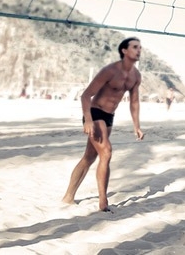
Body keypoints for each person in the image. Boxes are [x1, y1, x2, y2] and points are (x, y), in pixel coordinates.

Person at [62, 37, 145, 212]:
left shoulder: (136, 76)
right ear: (124, 50)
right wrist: (88, 120)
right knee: (106, 152)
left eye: (140, 47)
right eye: (135, 47)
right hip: (95, 113)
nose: (139, 50)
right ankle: (103, 202)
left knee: (89, 157)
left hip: (109, 117)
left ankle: (68, 196)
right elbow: (86, 96)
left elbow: (134, 102)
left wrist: (136, 126)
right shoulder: (110, 71)